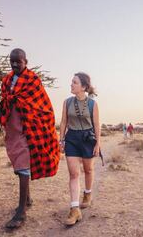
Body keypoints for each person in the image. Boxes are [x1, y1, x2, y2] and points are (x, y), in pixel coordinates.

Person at [0, 48, 60, 229]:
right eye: (12, 61)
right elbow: (4, 105)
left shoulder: (32, 80)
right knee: (19, 167)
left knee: (23, 167)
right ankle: (28, 199)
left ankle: (21, 213)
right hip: (13, 129)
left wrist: (35, 123)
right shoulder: (7, 80)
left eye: (19, 61)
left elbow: (42, 107)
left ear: (26, 61)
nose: (15, 64)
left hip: (30, 129)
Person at [59, 72, 101, 226]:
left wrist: (98, 143)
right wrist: (61, 139)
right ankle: (74, 208)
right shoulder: (67, 102)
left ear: (83, 87)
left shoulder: (92, 104)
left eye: (74, 82)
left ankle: (88, 194)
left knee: (88, 170)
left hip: (87, 139)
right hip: (72, 139)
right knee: (74, 173)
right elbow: (63, 122)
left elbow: (97, 125)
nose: (71, 84)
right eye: (72, 82)